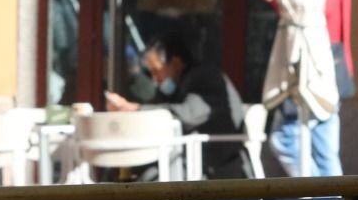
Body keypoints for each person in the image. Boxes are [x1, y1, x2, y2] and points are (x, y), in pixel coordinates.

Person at [254, 0, 358, 176]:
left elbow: (319, 9)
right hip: (323, 62)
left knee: (289, 139)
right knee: (322, 148)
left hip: (316, 62)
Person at [104, 31, 251, 180]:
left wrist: (136, 109)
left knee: (147, 178)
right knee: (118, 171)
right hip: (184, 156)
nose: (155, 79)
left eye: (156, 71)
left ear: (175, 64)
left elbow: (189, 115)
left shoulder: (206, 78)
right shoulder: (179, 83)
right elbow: (162, 107)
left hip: (211, 164)